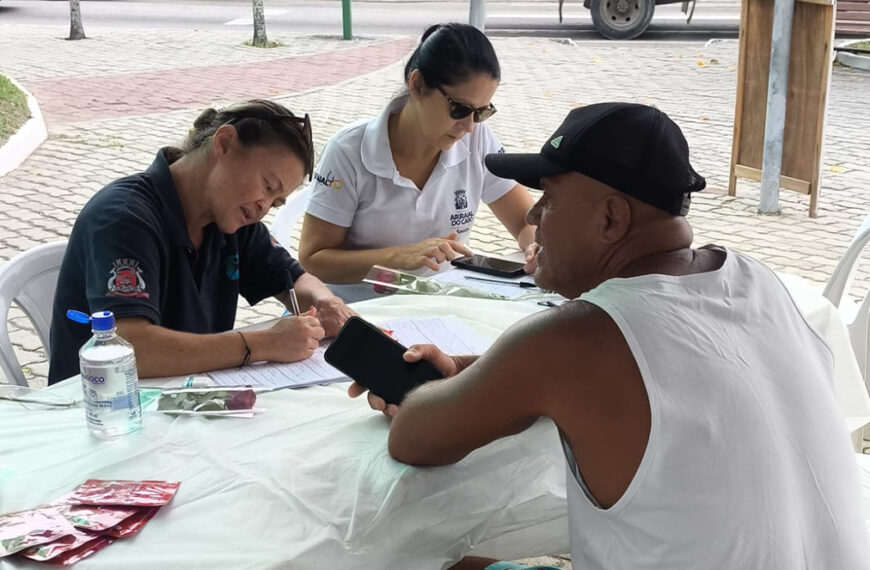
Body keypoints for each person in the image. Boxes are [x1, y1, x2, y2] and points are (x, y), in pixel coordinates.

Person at [351, 103, 870, 568]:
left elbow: (414, 437)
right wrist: (476, 370)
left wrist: (414, 389)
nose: (532, 219)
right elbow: (659, 366)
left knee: (418, 560)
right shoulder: (759, 280)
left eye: (548, 201)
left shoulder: (573, 340)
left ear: (611, 218)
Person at [49, 100, 354, 385]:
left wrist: (327, 303)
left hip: (183, 396)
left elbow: (293, 277)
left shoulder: (232, 218)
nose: (264, 205)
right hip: (101, 407)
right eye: (267, 185)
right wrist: (262, 344)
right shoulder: (124, 217)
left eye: (275, 202)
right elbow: (129, 347)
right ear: (224, 144)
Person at [297, 23, 539, 287]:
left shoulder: (478, 139)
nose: (469, 126)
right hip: (358, 310)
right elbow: (314, 260)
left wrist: (538, 245)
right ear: (418, 85)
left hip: (440, 301)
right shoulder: (349, 151)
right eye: (459, 109)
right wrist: (398, 256)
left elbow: (526, 223)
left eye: (481, 112)